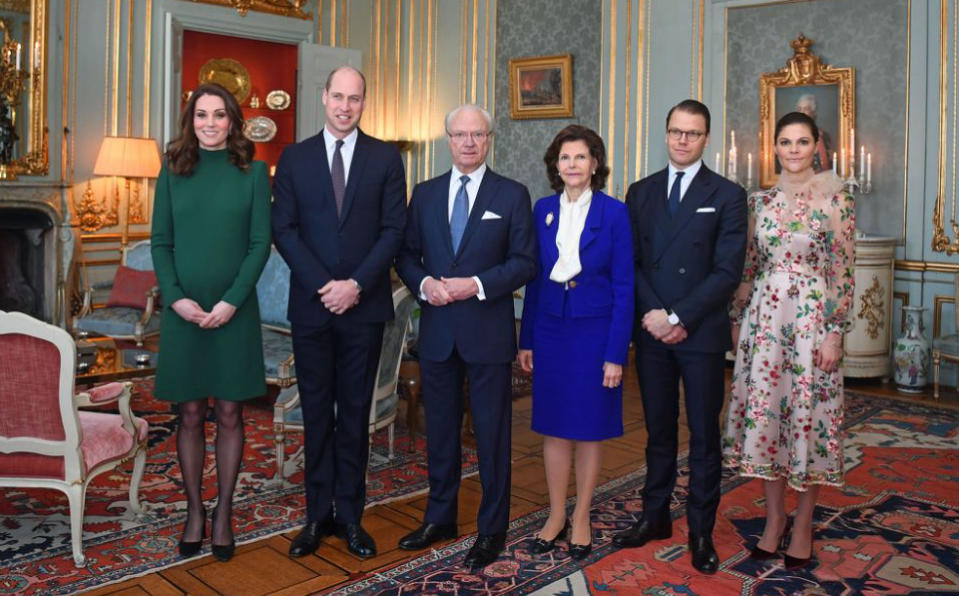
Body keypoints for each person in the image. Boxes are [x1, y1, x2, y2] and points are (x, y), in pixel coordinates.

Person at [271, 66, 407, 560]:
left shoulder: (385, 158)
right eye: (338, 97)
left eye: (355, 99)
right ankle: (315, 517)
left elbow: (394, 230)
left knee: (354, 417)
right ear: (323, 98)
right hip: (311, 308)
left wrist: (354, 286)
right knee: (315, 416)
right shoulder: (295, 158)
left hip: (363, 308)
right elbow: (283, 230)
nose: (346, 106)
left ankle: (350, 517)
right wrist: (325, 286)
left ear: (364, 102)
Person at [395, 104, 536, 569]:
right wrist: (423, 284)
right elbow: (408, 255)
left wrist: (474, 285)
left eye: (478, 134)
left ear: (490, 139)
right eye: (460, 134)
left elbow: (524, 262)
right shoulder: (427, 193)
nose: (469, 142)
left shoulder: (512, 195)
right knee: (440, 433)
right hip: (437, 333)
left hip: (487, 333)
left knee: (493, 435)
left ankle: (492, 528)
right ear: (448, 139)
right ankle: (441, 517)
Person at [613, 99, 748, 574]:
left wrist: (678, 315)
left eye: (692, 133)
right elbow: (628, 262)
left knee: (705, 435)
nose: (683, 140)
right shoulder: (640, 191)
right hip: (652, 331)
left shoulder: (728, 194)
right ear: (666, 134)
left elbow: (727, 270)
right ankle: (655, 517)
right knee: (658, 430)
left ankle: (700, 530)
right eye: (675, 132)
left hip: (700, 331)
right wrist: (654, 314)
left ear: (706, 137)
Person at [724, 111, 854, 570]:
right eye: (785, 142)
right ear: (774, 147)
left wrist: (834, 334)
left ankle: (803, 525)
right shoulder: (759, 201)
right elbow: (749, 265)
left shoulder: (837, 200)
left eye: (802, 142)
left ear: (816, 145)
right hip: (765, 321)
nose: (794, 150)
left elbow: (842, 272)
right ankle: (775, 520)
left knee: (808, 422)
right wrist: (738, 320)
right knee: (767, 423)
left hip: (811, 323)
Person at [151, 82, 271, 562]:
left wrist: (232, 302)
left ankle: (222, 513)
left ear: (232, 121)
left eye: (219, 115)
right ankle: (194, 511)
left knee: (229, 414)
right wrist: (176, 300)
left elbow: (260, 244)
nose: (210, 124)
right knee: (191, 414)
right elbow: (161, 242)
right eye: (201, 115)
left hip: (233, 313)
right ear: (190, 120)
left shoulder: (254, 172)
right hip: (184, 314)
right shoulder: (172, 171)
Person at [517, 125, 634, 560]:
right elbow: (532, 279)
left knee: (588, 428)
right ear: (555, 165)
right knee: (553, 426)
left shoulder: (615, 213)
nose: (572, 165)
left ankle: (581, 514)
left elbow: (624, 287)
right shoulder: (542, 209)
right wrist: (526, 338)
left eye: (580, 157)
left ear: (595, 164)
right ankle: (554, 514)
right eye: (565, 158)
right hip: (550, 331)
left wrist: (615, 353)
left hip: (595, 334)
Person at [794, 94, 833, 173]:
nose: (802, 112)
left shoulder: (824, 136)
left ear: (813, 112)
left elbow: (828, 164)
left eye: (806, 109)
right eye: (800, 109)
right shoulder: (789, 135)